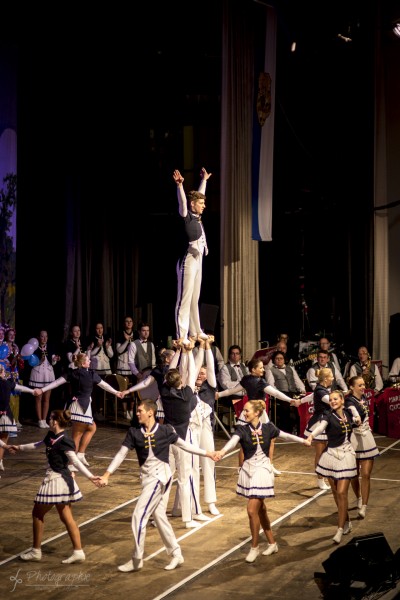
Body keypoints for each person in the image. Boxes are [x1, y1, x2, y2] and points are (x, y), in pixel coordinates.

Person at [98, 398, 217, 572]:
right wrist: (107, 474)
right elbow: (121, 454)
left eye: (140, 411)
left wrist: (207, 453)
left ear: (150, 412)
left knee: (138, 517)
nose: (137, 413)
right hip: (147, 479)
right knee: (159, 516)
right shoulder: (134, 432)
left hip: (160, 478)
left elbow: (185, 446)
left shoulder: (165, 430)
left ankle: (137, 559)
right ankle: (176, 553)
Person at [215, 399, 311, 562]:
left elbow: (286, 436)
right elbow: (232, 443)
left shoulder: (268, 428)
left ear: (257, 413)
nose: (244, 413)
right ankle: (272, 543)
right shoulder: (242, 429)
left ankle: (255, 547)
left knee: (252, 510)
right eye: (244, 411)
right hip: (249, 471)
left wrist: (304, 440)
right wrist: (222, 451)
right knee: (261, 510)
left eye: (247, 411)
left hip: (263, 471)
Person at [12, 409, 103, 563]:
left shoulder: (65, 440)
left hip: (57, 479)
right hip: (59, 479)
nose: (49, 420)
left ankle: (36, 551)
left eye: (50, 418)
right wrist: (19, 447)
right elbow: (37, 444)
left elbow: (75, 461)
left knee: (37, 513)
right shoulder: (51, 436)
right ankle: (78, 551)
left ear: (55, 421)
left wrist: (90, 477)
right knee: (66, 517)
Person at [38, 352, 123, 466]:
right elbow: (104, 385)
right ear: (83, 364)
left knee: (91, 427)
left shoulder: (74, 373)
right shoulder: (89, 374)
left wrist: (43, 390)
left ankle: (80, 455)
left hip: (79, 406)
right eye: (88, 360)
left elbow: (56, 383)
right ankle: (72, 463)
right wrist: (116, 392)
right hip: (79, 407)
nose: (90, 362)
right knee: (77, 435)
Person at [216, 357, 296, 475]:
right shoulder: (260, 382)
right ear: (253, 370)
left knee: (248, 440)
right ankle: (265, 465)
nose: (263, 370)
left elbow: (232, 390)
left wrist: (219, 394)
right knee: (265, 439)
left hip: (253, 412)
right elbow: (276, 393)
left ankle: (244, 467)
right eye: (260, 368)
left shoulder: (247, 379)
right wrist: (290, 400)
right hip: (255, 413)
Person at [305, 390, 360, 544]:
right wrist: (311, 436)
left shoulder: (348, 412)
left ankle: (339, 529)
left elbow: (356, 412)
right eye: (331, 400)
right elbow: (321, 427)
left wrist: (357, 418)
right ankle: (346, 521)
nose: (333, 401)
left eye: (336, 399)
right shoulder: (327, 415)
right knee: (336, 493)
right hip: (331, 457)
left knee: (342, 492)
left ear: (342, 400)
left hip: (347, 456)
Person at [173, 167, 212, 345]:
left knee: (195, 296)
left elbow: (200, 196)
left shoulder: (197, 216)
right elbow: (182, 202)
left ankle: (196, 330)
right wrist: (180, 186)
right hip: (188, 259)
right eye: (201, 203)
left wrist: (204, 180)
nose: (204, 205)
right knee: (185, 297)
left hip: (199, 260)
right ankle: (181, 333)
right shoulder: (186, 216)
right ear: (193, 204)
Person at [346, 375, 380, 519]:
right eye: (359, 385)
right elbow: (353, 410)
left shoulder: (364, 398)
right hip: (354, 438)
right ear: (352, 387)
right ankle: (359, 497)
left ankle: (364, 506)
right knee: (354, 474)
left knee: (366, 474)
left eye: (363, 384)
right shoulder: (348, 401)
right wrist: (356, 418)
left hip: (366, 438)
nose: (362, 387)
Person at [0, 364, 40, 474]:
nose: (5, 373)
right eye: (3, 371)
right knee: (4, 437)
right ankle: (0, 460)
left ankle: (0, 461)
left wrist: (32, 391)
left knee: (3, 437)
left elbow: (19, 387)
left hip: (4, 414)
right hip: (5, 415)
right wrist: (32, 391)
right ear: (1, 372)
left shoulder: (7, 383)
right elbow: (20, 388)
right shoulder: (7, 383)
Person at [302, 367, 334, 490]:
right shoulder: (321, 391)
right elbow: (331, 401)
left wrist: (299, 401)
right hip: (319, 422)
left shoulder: (320, 389)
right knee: (320, 453)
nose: (333, 378)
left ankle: (325, 475)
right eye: (331, 376)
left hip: (326, 420)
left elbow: (310, 397)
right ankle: (320, 479)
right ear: (325, 379)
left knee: (326, 452)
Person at [28, 330, 61, 428]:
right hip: (38, 374)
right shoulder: (34, 348)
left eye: (46, 336)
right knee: (38, 398)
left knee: (46, 399)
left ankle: (44, 419)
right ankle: (39, 420)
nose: (44, 338)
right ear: (38, 338)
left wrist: (55, 359)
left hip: (48, 374)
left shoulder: (50, 347)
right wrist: (39, 361)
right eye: (42, 336)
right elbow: (30, 362)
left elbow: (52, 360)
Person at [269, 350, 306, 434]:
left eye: (281, 358)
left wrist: (303, 390)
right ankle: (286, 430)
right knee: (285, 408)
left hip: (293, 392)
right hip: (281, 393)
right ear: (274, 360)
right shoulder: (271, 370)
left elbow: (297, 381)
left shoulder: (290, 368)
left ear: (284, 359)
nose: (279, 360)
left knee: (301, 405)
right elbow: (271, 384)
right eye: (277, 358)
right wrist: (277, 394)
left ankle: (299, 430)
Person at [217, 344, 249, 431]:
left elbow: (249, 381)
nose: (235, 356)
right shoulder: (225, 368)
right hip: (230, 395)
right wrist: (241, 385)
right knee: (239, 399)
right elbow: (226, 384)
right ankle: (240, 428)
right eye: (233, 353)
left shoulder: (244, 367)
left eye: (237, 353)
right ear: (229, 355)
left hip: (245, 394)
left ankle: (250, 426)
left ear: (240, 355)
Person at [87, 322, 114, 422]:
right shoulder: (91, 339)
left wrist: (107, 347)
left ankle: (101, 412)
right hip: (96, 369)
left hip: (106, 369)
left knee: (104, 392)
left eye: (101, 328)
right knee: (95, 393)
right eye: (98, 328)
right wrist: (98, 346)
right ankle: (95, 412)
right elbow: (89, 355)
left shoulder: (106, 339)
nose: (100, 330)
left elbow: (111, 355)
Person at [115, 316, 136, 419]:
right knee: (123, 388)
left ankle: (131, 410)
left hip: (133, 366)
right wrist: (127, 341)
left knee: (132, 389)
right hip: (122, 365)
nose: (129, 323)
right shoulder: (120, 334)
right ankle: (124, 411)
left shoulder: (135, 334)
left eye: (130, 321)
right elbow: (119, 350)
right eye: (126, 321)